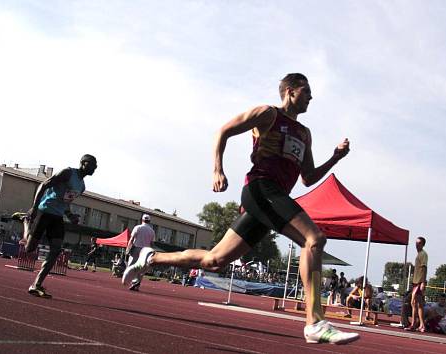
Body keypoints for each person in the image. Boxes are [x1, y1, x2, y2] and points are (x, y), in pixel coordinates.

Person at [122, 73, 358, 344]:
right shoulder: (268, 114)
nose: (311, 97)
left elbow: (308, 178)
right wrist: (217, 170)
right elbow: (224, 131)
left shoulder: (305, 134)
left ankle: (150, 258)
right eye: (306, 91)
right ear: (290, 91)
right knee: (313, 239)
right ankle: (314, 322)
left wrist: (335, 158)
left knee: (214, 260)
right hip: (261, 189)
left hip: (272, 200)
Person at [23, 154, 97, 299]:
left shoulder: (82, 186)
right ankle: (26, 222)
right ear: (83, 163)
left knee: (56, 250)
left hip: (57, 217)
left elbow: (66, 202)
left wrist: (70, 216)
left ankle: (36, 284)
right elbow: (44, 185)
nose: (95, 168)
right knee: (29, 249)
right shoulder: (68, 172)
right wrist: (34, 207)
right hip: (44, 211)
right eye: (93, 164)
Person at [124, 214, 156, 291]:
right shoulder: (152, 231)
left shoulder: (137, 227)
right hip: (145, 251)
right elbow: (152, 244)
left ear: (142, 220)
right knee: (141, 268)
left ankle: (133, 282)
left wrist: (128, 249)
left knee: (131, 266)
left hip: (136, 248)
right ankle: (137, 285)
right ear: (149, 221)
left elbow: (131, 239)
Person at [407, 236, 428, 332]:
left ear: (423, 244)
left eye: (419, 243)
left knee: (414, 303)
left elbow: (424, 268)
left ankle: (414, 324)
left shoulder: (423, 254)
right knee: (418, 304)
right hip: (416, 281)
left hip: (419, 282)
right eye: (416, 242)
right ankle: (421, 325)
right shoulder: (419, 254)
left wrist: (423, 282)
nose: (416, 244)